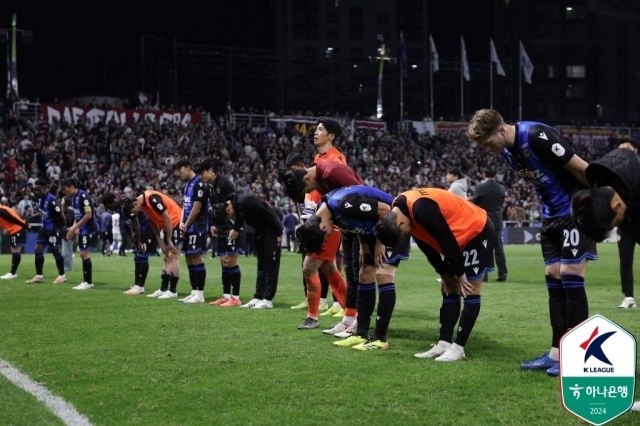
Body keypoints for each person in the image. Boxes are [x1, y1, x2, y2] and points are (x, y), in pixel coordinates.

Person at [466, 108, 597, 376]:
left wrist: (594, 206)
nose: (488, 150)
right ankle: (556, 353)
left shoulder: (537, 136)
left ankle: (577, 356)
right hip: (549, 218)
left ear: (501, 130)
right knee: (553, 280)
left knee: (571, 278)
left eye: (488, 143)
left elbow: (582, 169)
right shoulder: (506, 151)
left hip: (574, 211)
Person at [374, 188, 495, 361]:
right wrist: (444, 273)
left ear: (400, 224)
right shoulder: (401, 210)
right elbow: (426, 244)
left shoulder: (421, 209)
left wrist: (459, 272)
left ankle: (459, 348)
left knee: (469, 288)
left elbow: (445, 238)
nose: (405, 236)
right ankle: (444, 344)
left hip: (476, 230)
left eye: (402, 236)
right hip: (457, 237)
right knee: (448, 287)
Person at [569, 144, 640, 413]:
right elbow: (624, 153)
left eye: (615, 222)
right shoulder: (603, 179)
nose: (618, 227)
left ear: (617, 204)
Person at [297, 185, 409, 350]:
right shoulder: (329, 208)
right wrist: (363, 245)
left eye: (325, 238)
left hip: (394, 225)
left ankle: (380, 338)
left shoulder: (343, 203)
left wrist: (380, 243)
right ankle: (360, 333)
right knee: (365, 274)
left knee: (383, 274)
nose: (328, 239)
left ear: (322, 227)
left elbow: (385, 210)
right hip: (375, 230)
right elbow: (357, 222)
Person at [283, 160, 364, 330]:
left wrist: (358, 235)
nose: (310, 192)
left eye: (307, 190)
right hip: (334, 223)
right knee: (329, 268)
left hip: (335, 225)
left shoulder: (331, 171)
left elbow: (363, 195)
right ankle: (352, 316)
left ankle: (315, 316)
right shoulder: (320, 176)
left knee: (310, 266)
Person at [212, 191, 283, 309]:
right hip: (259, 232)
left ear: (228, 210)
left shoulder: (245, 201)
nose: (231, 218)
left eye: (228, 217)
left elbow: (268, 213)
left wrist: (279, 232)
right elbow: (240, 215)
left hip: (271, 232)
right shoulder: (237, 204)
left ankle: (268, 300)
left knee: (271, 266)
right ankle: (258, 297)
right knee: (261, 266)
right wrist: (235, 228)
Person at [195, 160, 243, 307]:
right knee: (223, 261)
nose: (201, 176)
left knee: (231, 260)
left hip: (231, 228)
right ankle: (226, 295)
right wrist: (213, 224)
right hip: (221, 228)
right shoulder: (210, 187)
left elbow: (238, 205)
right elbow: (214, 208)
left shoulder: (225, 184)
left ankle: (236, 297)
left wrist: (236, 227)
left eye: (202, 173)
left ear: (210, 170)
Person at [129, 190, 182, 299]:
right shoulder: (142, 204)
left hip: (176, 222)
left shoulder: (152, 198)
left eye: (134, 211)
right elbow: (152, 222)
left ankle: (172, 291)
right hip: (168, 226)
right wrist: (159, 241)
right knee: (166, 257)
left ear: (135, 204)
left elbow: (167, 218)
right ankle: (163, 289)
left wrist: (168, 240)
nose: (136, 213)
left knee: (173, 256)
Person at [101, 193, 157, 294]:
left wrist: (139, 242)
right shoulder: (118, 209)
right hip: (138, 231)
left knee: (142, 255)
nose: (108, 209)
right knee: (137, 257)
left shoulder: (125, 205)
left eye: (108, 206)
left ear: (113, 202)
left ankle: (140, 287)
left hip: (146, 227)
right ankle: (137, 284)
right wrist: (132, 239)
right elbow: (127, 224)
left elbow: (136, 223)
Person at [175, 159, 210, 304]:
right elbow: (185, 206)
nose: (179, 174)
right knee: (188, 257)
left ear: (188, 167)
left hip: (198, 226)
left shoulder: (199, 183)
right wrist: (182, 222)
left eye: (180, 170)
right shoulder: (187, 185)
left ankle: (200, 295)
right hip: (188, 225)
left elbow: (196, 209)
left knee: (196, 257)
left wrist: (187, 223)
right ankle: (194, 291)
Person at [23, 180, 68, 284]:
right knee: (38, 249)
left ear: (45, 188)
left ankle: (62, 276)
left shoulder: (51, 200)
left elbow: (61, 216)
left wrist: (62, 227)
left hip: (52, 229)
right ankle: (39, 276)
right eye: (35, 190)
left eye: (39, 190)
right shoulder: (39, 199)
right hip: (44, 228)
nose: (36, 192)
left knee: (55, 250)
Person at [470, 168, 508, 282]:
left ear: (484, 174)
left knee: (484, 248)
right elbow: (501, 203)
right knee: (499, 248)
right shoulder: (501, 188)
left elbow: (474, 203)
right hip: (497, 220)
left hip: (484, 221)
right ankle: (503, 274)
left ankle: (484, 276)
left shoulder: (479, 188)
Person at [62, 178, 99, 290]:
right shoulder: (73, 198)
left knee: (83, 254)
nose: (65, 192)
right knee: (84, 254)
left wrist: (74, 228)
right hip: (82, 229)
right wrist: (72, 228)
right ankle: (87, 281)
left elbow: (88, 215)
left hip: (89, 229)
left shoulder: (83, 196)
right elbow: (78, 217)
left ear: (72, 187)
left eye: (66, 189)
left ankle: (88, 282)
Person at [614, 139, 638, 308]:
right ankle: (628, 297)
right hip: (626, 224)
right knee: (625, 261)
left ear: (635, 151)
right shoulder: (614, 175)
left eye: (627, 150)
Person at [0, 204, 27, 280]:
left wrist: (24, 224)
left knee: (15, 250)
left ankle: (12, 273)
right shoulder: (4, 209)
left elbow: (13, 218)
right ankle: (13, 273)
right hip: (15, 230)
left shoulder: (1, 210)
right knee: (14, 250)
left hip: (17, 230)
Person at [61, 196, 75, 272]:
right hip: (66, 231)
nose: (61, 201)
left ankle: (68, 266)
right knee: (65, 250)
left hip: (68, 231)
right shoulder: (67, 210)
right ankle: (66, 266)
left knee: (67, 250)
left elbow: (68, 221)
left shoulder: (69, 210)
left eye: (62, 199)